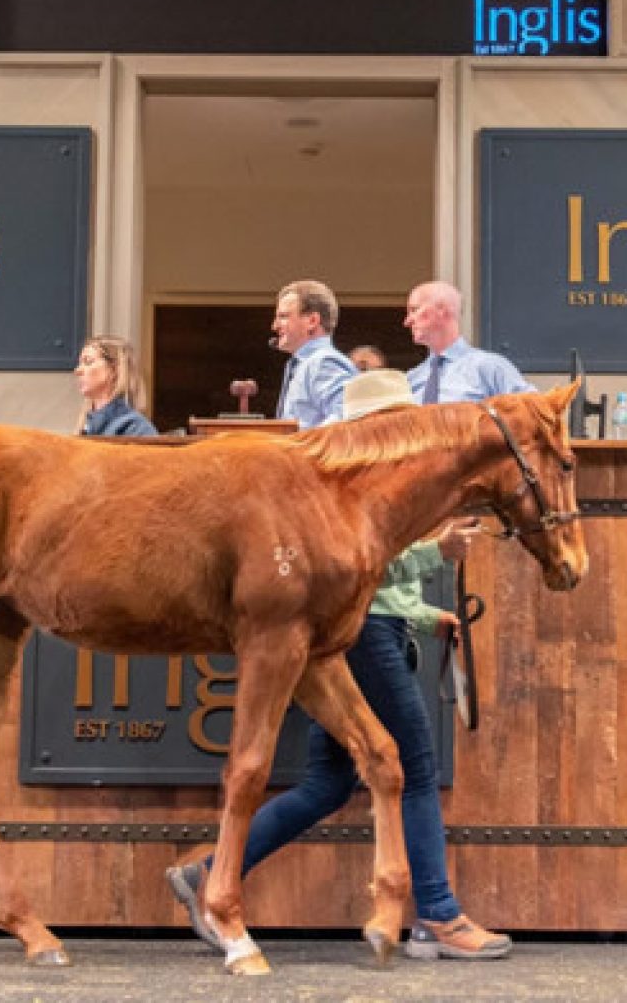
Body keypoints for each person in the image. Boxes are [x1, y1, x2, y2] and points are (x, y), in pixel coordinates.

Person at [165, 368, 512, 960]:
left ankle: (208, 872)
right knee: (415, 765)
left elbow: (380, 585)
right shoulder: (352, 486)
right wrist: (437, 553)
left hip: (373, 628)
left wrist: (430, 618)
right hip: (363, 635)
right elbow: (361, 575)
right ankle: (438, 914)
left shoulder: (368, 483)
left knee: (329, 782)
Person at [402, 280, 531, 404]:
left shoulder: (490, 368)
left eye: (414, 310)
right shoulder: (411, 379)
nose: (407, 322)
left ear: (442, 309)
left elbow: (533, 414)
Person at [271, 279, 358, 429]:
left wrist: (303, 445)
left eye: (283, 316)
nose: (274, 326)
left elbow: (346, 418)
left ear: (312, 321)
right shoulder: (305, 364)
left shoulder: (324, 362)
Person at [74, 335, 157, 436]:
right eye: (80, 363)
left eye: (88, 362)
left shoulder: (136, 427)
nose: (77, 370)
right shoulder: (86, 425)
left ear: (114, 370)